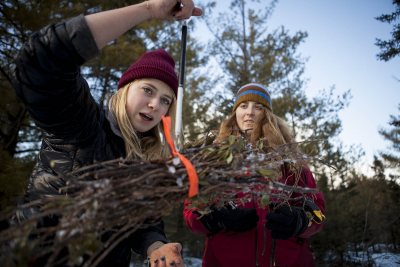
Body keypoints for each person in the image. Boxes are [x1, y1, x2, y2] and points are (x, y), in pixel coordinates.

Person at [11, 0, 202, 266]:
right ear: (125, 90)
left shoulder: (146, 160)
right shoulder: (84, 124)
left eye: (165, 100)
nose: (155, 105)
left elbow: (145, 223)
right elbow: (41, 61)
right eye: (147, 90)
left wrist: (156, 246)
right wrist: (147, 10)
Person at [183, 83, 326, 267]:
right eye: (243, 106)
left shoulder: (290, 161)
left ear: (267, 115)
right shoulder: (214, 159)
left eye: (258, 107)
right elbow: (190, 212)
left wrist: (300, 221)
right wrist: (216, 218)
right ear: (235, 113)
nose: (249, 112)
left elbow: (319, 213)